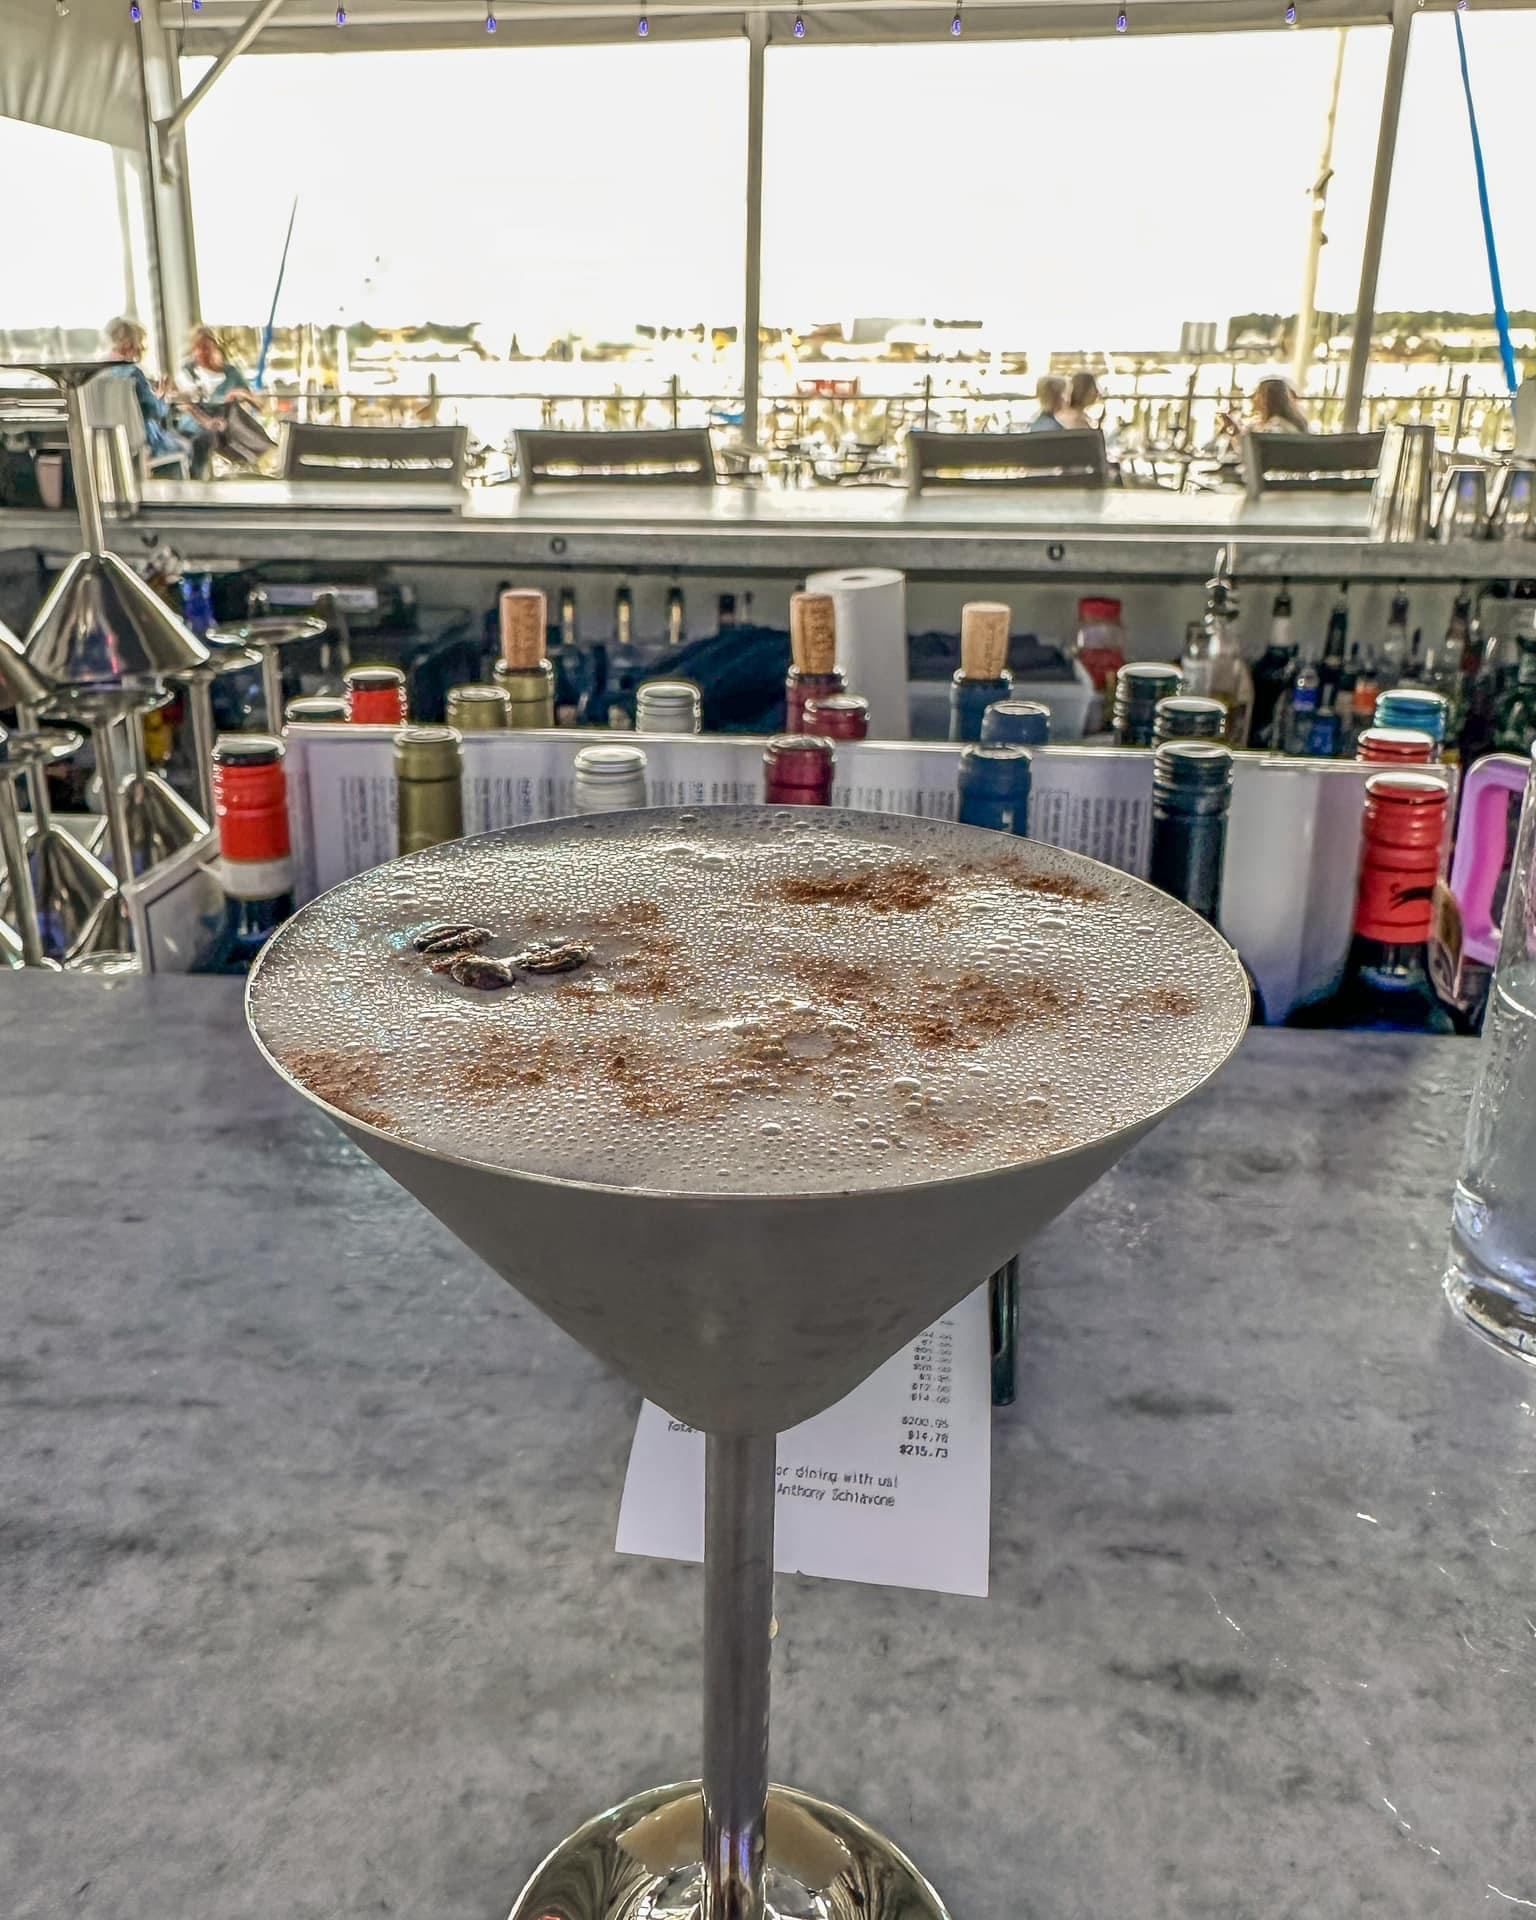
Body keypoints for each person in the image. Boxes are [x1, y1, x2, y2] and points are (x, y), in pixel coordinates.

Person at [102, 316, 212, 477]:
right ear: (131, 343)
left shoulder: (97, 371)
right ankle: (192, 489)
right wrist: (161, 396)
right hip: (144, 443)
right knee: (191, 443)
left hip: (109, 443)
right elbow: (156, 412)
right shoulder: (133, 373)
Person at [179, 326, 254, 407]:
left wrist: (240, 396)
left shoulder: (232, 374)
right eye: (198, 348)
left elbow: (249, 399)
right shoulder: (188, 373)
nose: (203, 352)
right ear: (193, 350)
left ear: (214, 348)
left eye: (206, 347)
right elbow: (186, 397)